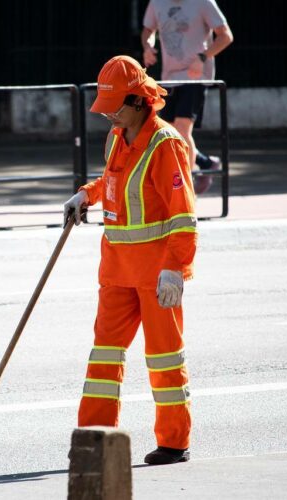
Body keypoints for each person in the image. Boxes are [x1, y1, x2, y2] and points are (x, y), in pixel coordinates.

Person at [64, 55, 197, 465]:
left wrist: (175, 268)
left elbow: (183, 213)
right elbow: (114, 179)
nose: (108, 116)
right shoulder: (118, 136)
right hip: (117, 270)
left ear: (139, 101)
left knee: (163, 357)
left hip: (156, 275)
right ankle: (94, 438)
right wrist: (86, 194)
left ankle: (174, 442)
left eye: (115, 107)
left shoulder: (166, 144)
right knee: (104, 354)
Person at [141, 0, 233, 194]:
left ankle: (184, 189)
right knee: (168, 133)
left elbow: (225, 36)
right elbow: (148, 31)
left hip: (195, 77)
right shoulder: (157, 3)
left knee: (182, 129)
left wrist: (203, 57)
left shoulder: (204, 3)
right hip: (170, 78)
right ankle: (205, 162)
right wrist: (148, 47)